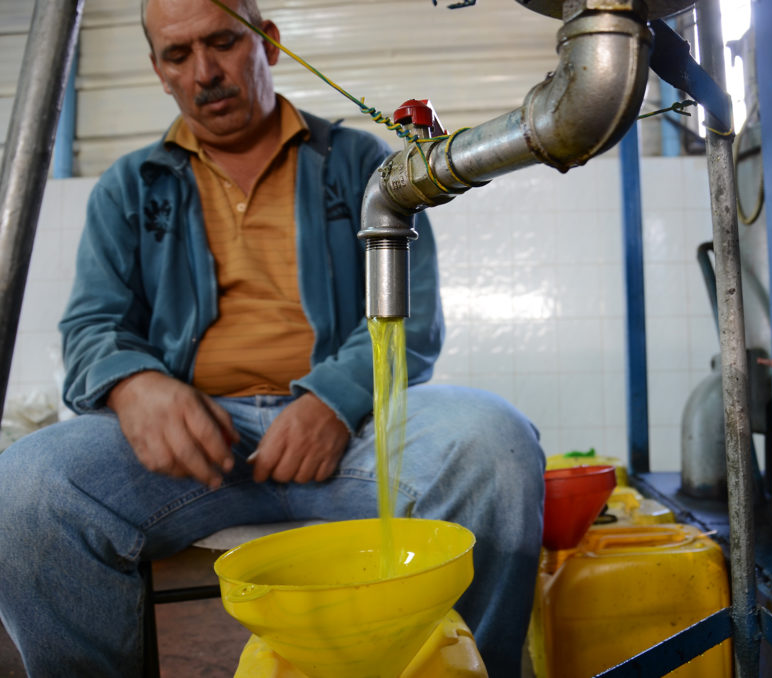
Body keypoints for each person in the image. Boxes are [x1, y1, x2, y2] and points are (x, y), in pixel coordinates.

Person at [0, 0, 545, 675]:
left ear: (270, 43)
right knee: (24, 487)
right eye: (178, 55)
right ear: (158, 71)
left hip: (356, 434)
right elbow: (90, 327)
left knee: (493, 444)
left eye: (224, 42)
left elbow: (415, 319)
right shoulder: (128, 188)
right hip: (198, 445)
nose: (205, 71)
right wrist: (134, 384)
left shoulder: (362, 163)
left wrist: (332, 402)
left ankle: (468, 668)